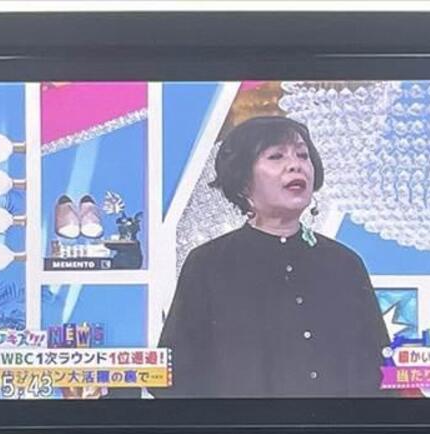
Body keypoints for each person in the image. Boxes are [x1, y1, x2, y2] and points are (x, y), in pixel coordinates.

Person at [157, 116, 389, 398]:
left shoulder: (345, 264)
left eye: (302, 155)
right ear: (243, 182)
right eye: (276, 156)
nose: (295, 165)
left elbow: (381, 371)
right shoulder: (208, 264)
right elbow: (173, 376)